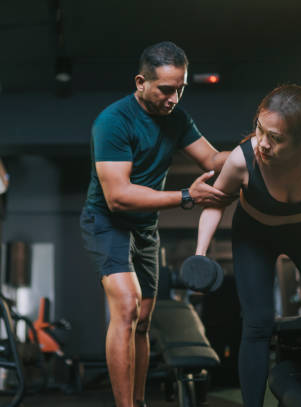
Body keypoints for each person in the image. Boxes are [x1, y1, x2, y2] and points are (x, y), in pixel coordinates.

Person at [80, 41, 233, 407]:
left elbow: (212, 158)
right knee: (128, 307)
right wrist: (186, 197)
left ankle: (139, 401)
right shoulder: (113, 121)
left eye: (180, 89)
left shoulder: (177, 118)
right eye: (166, 89)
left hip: (145, 228)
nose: (174, 97)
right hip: (108, 221)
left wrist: (250, 152)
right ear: (141, 82)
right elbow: (117, 195)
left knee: (145, 320)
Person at [194, 84, 301, 406]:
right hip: (254, 236)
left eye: (276, 138)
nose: (263, 143)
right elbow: (215, 203)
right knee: (257, 325)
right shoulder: (242, 159)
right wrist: (200, 254)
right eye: (260, 130)